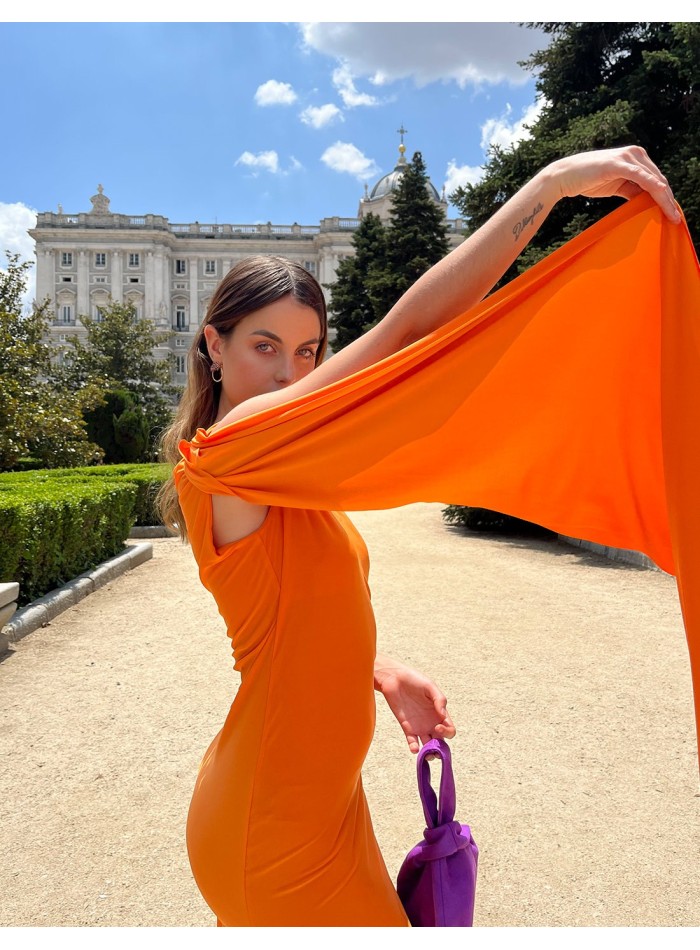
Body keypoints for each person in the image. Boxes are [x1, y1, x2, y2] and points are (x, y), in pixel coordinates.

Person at [157, 146, 680, 927]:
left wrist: (375, 667)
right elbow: (406, 333)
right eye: (264, 347)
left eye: (308, 353)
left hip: (315, 801)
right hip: (275, 822)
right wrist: (550, 187)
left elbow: (290, 613)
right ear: (213, 345)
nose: (289, 375)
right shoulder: (228, 453)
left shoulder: (282, 474)